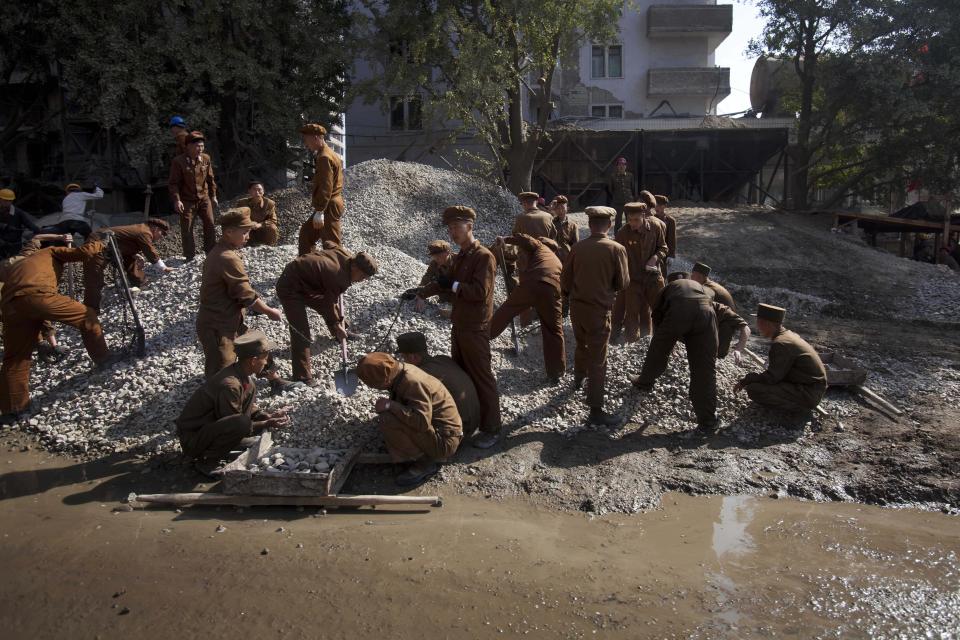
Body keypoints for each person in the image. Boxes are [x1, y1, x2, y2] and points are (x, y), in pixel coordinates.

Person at [415, 205, 501, 448]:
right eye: (450, 228)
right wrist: (421, 292)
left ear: (470, 227)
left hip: (475, 327)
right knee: (463, 375)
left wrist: (452, 285)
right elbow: (443, 283)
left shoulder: (483, 256)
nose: (453, 232)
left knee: (481, 377)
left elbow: (479, 292)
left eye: (457, 227)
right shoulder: (461, 256)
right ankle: (470, 421)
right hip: (460, 324)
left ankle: (492, 428)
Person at [0, 239, 113, 424]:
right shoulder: (50, 251)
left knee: (15, 358)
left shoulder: (22, 264)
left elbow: (32, 310)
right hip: (37, 294)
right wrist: (101, 243)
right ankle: (105, 360)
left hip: (9, 307)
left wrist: (44, 338)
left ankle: (13, 410)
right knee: (88, 317)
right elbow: (82, 253)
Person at [196, 208, 296, 394]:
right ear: (228, 232)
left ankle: (274, 380)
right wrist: (269, 311)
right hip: (217, 326)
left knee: (258, 346)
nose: (248, 237)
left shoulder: (225, 251)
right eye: (244, 232)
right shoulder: (226, 257)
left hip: (232, 320)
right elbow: (245, 294)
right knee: (221, 370)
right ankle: (219, 406)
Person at [176, 330, 291, 474]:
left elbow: (244, 408)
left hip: (210, 430)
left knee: (248, 404)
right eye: (265, 358)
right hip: (193, 439)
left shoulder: (243, 377)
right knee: (242, 423)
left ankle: (228, 445)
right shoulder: (229, 385)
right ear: (253, 360)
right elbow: (235, 422)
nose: (266, 362)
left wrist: (266, 416)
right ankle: (207, 461)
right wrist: (266, 424)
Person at [560, 206, 629, 426]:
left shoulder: (577, 248)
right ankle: (596, 410)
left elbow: (565, 281)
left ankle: (578, 379)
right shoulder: (616, 249)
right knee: (598, 359)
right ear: (609, 225)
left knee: (581, 345)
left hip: (578, 309)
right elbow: (623, 283)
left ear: (589, 225)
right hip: (599, 310)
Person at [275, 243, 378, 386]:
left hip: (307, 282)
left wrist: (338, 323)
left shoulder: (346, 255)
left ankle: (341, 333)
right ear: (354, 267)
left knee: (330, 309)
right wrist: (336, 324)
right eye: (362, 276)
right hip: (290, 287)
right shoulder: (338, 276)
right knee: (301, 332)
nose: (362, 280)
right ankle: (302, 377)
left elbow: (331, 244)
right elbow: (329, 304)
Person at [630, 272, 720, 433]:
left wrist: (666, 342)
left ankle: (645, 381)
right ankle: (708, 421)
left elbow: (657, 315)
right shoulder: (699, 287)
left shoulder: (668, 289)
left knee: (657, 351)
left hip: (681, 311)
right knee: (705, 369)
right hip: (707, 313)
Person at [357, 352, 463, 486]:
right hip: (441, 431)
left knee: (387, 419)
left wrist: (391, 405)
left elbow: (422, 423)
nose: (372, 387)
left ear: (386, 380)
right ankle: (414, 451)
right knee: (391, 414)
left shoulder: (412, 383)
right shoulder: (401, 370)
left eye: (373, 385)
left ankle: (424, 463)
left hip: (445, 442)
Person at [490, 233, 565, 383]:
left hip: (532, 283)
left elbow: (525, 238)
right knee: (554, 330)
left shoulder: (539, 246)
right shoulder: (556, 261)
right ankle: (555, 373)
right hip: (552, 289)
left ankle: (481, 337)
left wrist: (506, 239)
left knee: (507, 310)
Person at [734, 303, 828, 412]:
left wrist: (746, 380)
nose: (758, 326)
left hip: (809, 393)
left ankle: (799, 411)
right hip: (811, 388)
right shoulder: (787, 335)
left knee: (754, 389)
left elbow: (771, 378)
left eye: (759, 322)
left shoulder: (781, 344)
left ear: (767, 324)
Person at [395, 331, 481, 438]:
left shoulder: (421, 375)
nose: (404, 360)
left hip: (457, 433)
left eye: (404, 357)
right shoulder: (444, 359)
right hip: (474, 423)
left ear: (413, 357)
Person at [82, 218, 174, 312]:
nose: (162, 237)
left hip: (110, 244)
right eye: (162, 233)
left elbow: (124, 241)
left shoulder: (141, 230)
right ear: (155, 229)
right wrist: (163, 267)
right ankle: (90, 311)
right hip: (97, 243)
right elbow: (149, 251)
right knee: (94, 277)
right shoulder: (144, 232)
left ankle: (140, 283)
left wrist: (135, 254)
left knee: (130, 258)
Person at [611, 202, 667, 342]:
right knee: (632, 313)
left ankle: (660, 340)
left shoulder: (656, 227)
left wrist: (655, 258)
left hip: (653, 278)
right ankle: (633, 343)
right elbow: (616, 256)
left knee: (659, 310)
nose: (632, 223)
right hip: (633, 280)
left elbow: (664, 248)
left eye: (636, 220)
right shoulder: (623, 233)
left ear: (643, 216)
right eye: (629, 220)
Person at [168, 130, 218, 260]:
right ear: (188, 146)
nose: (200, 149)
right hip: (187, 200)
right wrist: (177, 200)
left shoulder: (206, 159)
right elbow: (173, 183)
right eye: (197, 146)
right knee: (187, 229)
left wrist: (213, 196)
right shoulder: (178, 161)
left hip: (204, 198)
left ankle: (211, 253)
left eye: (202, 146)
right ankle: (190, 257)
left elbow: (211, 179)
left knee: (210, 224)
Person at [299, 123, 344, 254]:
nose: (306, 144)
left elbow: (326, 186)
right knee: (306, 234)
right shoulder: (326, 154)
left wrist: (320, 211)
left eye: (307, 140)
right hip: (329, 204)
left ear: (316, 137)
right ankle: (307, 267)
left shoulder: (324, 157)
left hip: (329, 205)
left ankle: (338, 272)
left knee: (331, 245)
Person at [414, 240, 454, 313]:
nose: (436, 259)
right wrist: (420, 293)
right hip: (443, 292)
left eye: (439, 256)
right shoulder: (434, 263)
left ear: (448, 252)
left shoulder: (460, 262)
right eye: (434, 256)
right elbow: (427, 277)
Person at [237, 180, 279, 247]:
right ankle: (241, 245)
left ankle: (269, 246)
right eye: (254, 190)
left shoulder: (269, 204)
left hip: (262, 230)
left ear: (263, 191)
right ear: (249, 191)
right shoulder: (242, 203)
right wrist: (250, 224)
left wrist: (260, 225)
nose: (257, 192)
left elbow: (273, 220)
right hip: (248, 229)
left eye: (259, 190)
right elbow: (238, 218)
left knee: (272, 228)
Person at [0, 188, 40, 259]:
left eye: (10, 201)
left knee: (15, 263)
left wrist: (39, 230)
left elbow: (29, 224)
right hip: (1, 243)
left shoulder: (18, 212)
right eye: (5, 200)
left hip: (14, 245)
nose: (8, 202)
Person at [607, 157, 635, 233]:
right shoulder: (613, 176)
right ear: (617, 166)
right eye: (620, 164)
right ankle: (617, 236)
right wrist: (616, 196)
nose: (622, 166)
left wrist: (632, 199)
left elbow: (632, 188)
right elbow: (610, 189)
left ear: (626, 166)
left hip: (628, 202)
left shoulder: (630, 175)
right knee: (618, 221)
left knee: (629, 219)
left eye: (623, 164)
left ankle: (630, 234)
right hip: (618, 202)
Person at [654, 195, 677, 277]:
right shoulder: (651, 218)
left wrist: (671, 255)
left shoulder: (670, 220)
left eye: (659, 205)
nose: (657, 207)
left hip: (664, 253)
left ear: (664, 206)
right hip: (652, 252)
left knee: (662, 275)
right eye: (655, 205)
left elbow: (672, 239)